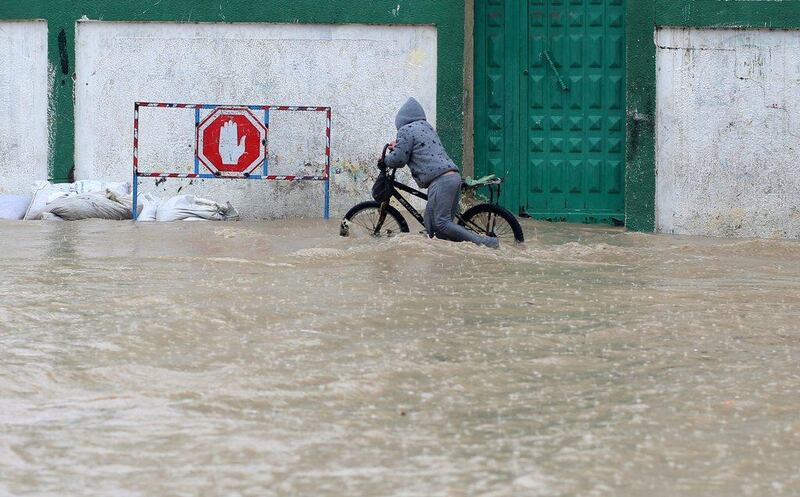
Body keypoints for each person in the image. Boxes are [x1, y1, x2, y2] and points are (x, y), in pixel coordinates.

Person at [384, 97, 499, 249]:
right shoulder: (426, 127)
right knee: (432, 227)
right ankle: (442, 262)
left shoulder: (405, 130)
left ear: (400, 120)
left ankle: (486, 243)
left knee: (441, 223)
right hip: (452, 177)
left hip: (441, 181)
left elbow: (399, 160)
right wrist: (398, 147)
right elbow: (415, 148)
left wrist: (385, 160)